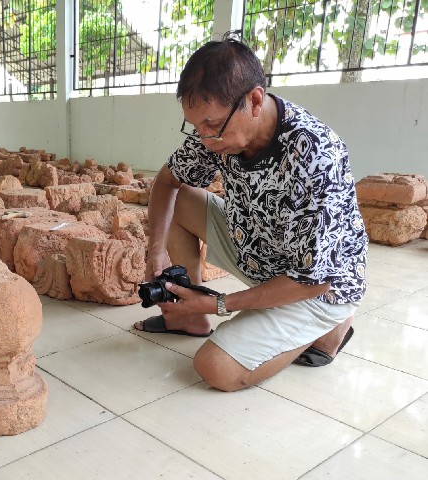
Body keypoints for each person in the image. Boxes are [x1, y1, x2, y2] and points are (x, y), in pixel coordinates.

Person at [133, 35, 368, 392]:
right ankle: (191, 320)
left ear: (254, 100)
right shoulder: (218, 133)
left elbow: (314, 279)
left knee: (216, 369)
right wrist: (156, 250)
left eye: (211, 126)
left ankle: (328, 328)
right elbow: (166, 182)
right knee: (182, 198)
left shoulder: (316, 155)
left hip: (314, 287)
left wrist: (221, 304)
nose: (205, 138)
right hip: (257, 247)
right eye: (195, 127)